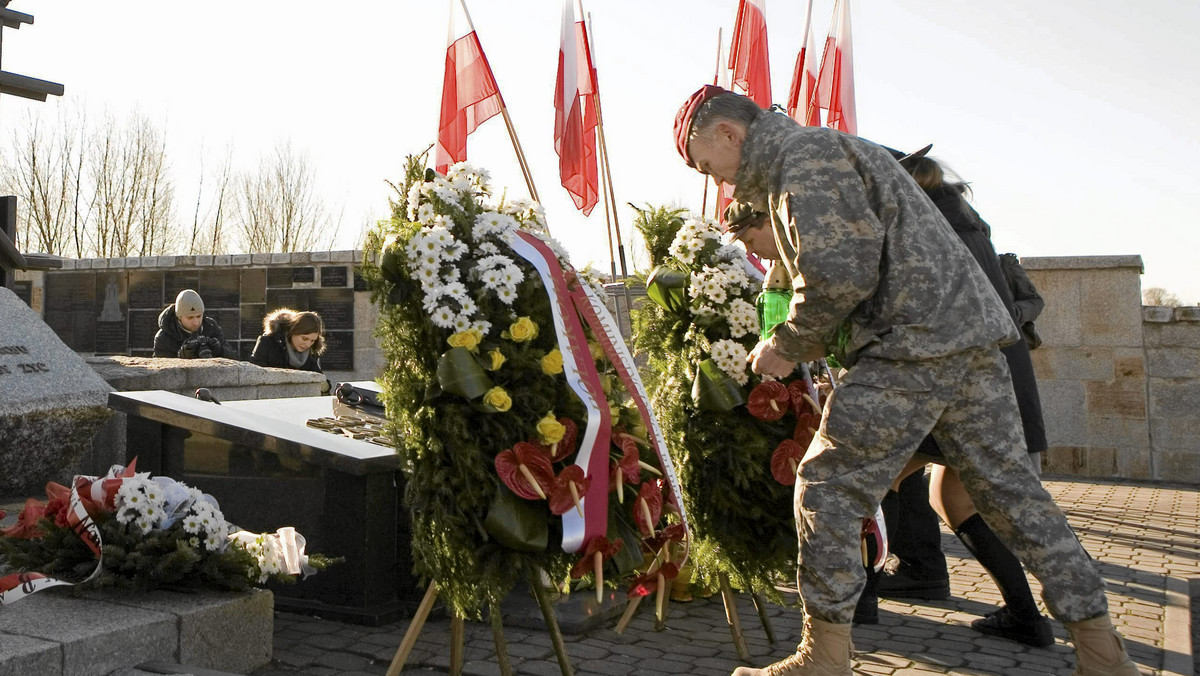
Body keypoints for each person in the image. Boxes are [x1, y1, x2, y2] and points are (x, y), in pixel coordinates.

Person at [673, 85, 1137, 676]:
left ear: (730, 135)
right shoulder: (818, 152)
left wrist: (786, 346)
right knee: (1014, 497)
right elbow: (820, 261)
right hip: (964, 342)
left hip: (908, 346)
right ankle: (1104, 653)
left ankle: (824, 660)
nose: (719, 183)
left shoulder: (803, 157)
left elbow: (840, 275)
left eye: (708, 166)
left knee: (826, 489)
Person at [866, 150, 1054, 647]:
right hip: (992, 374)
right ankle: (1026, 616)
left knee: (870, 477)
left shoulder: (927, 226)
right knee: (950, 496)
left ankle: (857, 608)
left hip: (953, 379)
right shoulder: (964, 220)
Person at [152, 289, 235, 359]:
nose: (196, 322)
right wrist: (181, 357)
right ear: (179, 317)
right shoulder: (163, 338)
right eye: (190, 318)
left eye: (199, 316)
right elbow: (161, 372)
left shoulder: (211, 327)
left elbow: (235, 359)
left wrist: (220, 351)